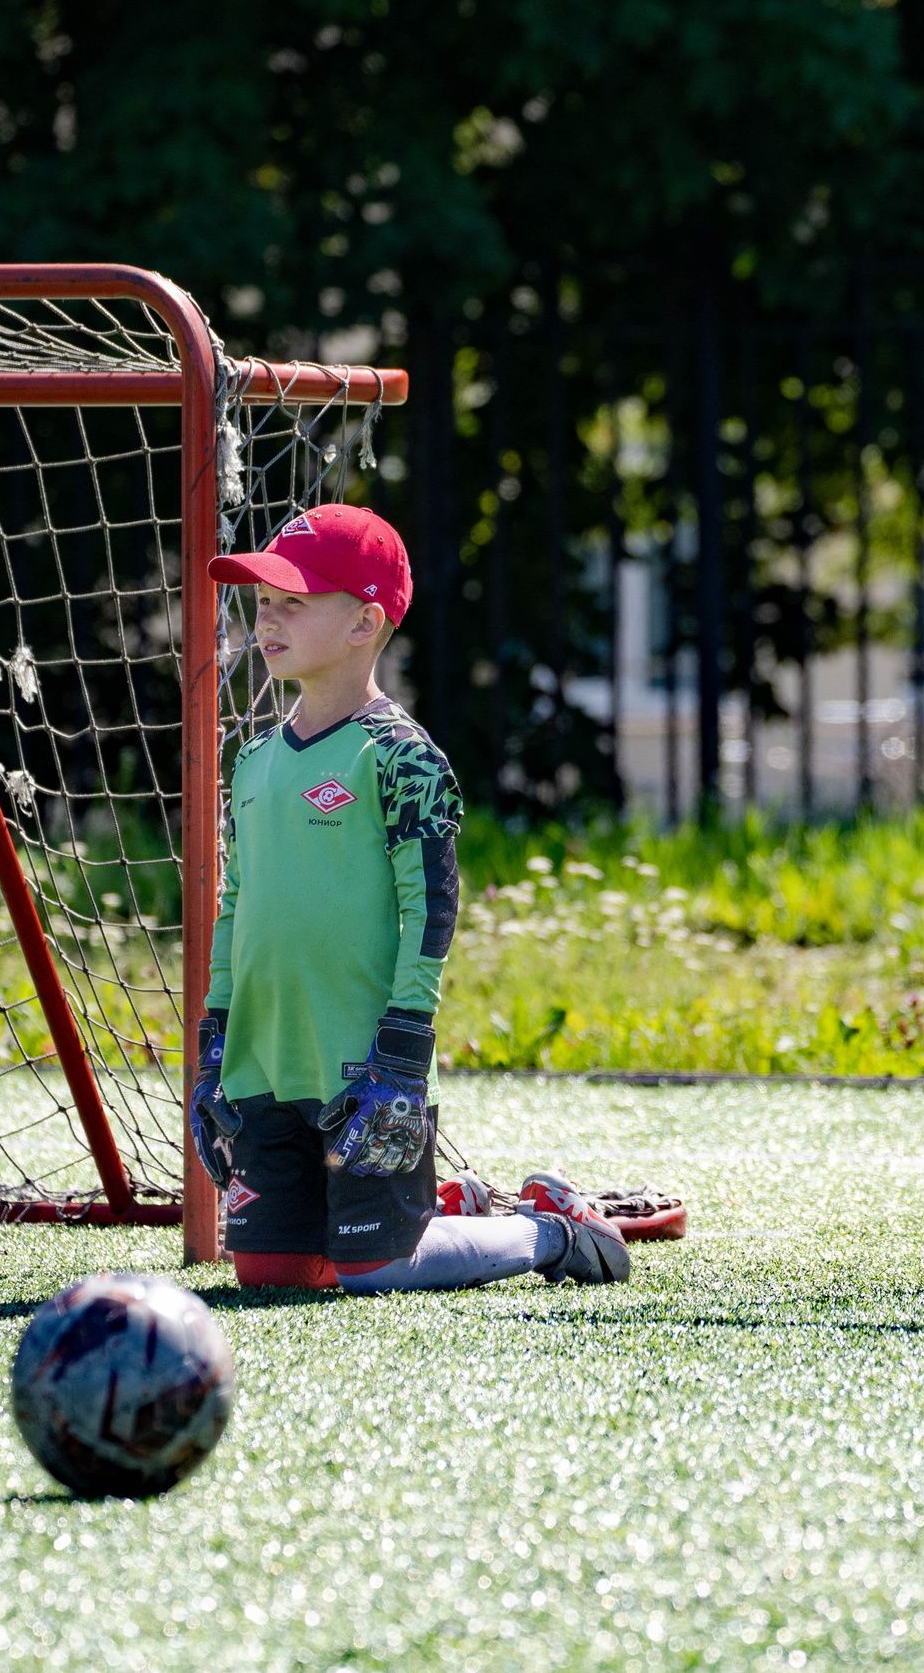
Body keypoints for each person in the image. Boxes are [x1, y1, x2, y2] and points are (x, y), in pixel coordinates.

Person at [190, 503, 629, 1292]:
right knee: (270, 1274)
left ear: (364, 622)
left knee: (377, 1270)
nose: (268, 618)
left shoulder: (401, 756)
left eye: (295, 601)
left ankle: (548, 1230)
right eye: (263, 601)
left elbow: (432, 908)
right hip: (262, 1064)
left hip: (365, 1066)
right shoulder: (253, 760)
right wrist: (215, 1037)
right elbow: (236, 907)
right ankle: (450, 1206)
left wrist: (402, 1045)